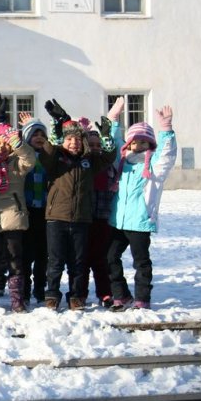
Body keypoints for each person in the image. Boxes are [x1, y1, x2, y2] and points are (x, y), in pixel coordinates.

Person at [41, 99, 116, 311]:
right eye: (69, 140)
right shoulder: (56, 160)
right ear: (64, 142)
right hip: (56, 218)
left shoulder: (89, 162)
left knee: (78, 262)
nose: (73, 143)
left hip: (81, 219)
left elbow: (109, 156)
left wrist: (106, 136)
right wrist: (58, 124)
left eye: (77, 140)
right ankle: (52, 295)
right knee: (55, 262)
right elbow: (48, 149)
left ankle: (75, 296)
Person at [108, 105, 177, 310]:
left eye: (144, 141)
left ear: (150, 143)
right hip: (118, 221)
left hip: (140, 222)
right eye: (135, 141)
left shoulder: (154, 166)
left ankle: (142, 299)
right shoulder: (121, 161)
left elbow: (167, 155)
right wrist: (113, 121)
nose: (139, 145)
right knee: (110, 257)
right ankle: (121, 295)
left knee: (141, 262)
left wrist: (166, 129)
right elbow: (114, 144)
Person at [0, 122, 36, 312]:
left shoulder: (16, 164)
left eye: (5, 143)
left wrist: (17, 141)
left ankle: (17, 300)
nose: (2, 147)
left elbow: (29, 158)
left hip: (13, 219)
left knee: (15, 260)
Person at [78, 124, 117, 307]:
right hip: (84, 217)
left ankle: (105, 293)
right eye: (91, 144)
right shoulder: (83, 164)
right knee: (83, 258)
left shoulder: (108, 165)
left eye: (97, 145)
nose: (94, 148)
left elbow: (111, 152)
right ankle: (81, 293)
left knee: (100, 258)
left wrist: (107, 136)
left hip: (103, 217)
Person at [19, 113, 49, 304]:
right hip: (26, 210)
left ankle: (40, 288)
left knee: (42, 254)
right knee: (25, 254)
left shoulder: (49, 156)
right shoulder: (22, 157)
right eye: (34, 134)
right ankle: (24, 290)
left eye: (42, 134)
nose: (39, 138)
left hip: (45, 210)